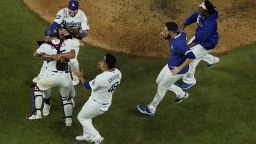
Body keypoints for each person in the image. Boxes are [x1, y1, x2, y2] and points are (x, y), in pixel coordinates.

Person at [137, 22, 195, 116]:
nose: (163, 30)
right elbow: (180, 39)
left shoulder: (179, 44)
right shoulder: (180, 33)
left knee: (162, 87)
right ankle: (181, 94)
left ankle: (151, 109)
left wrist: (179, 68)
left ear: (171, 32)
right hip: (170, 65)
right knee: (158, 81)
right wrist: (166, 37)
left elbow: (191, 56)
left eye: (165, 29)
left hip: (176, 70)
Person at [33, 0, 90, 85]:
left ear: (77, 9)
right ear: (68, 8)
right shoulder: (62, 12)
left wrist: (79, 34)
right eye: (71, 9)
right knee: (50, 54)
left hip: (74, 38)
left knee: (73, 59)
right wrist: (50, 34)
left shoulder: (82, 15)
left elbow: (85, 32)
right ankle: (41, 75)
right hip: (61, 36)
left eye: (74, 10)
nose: (72, 11)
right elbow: (55, 24)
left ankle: (76, 78)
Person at [28, 28, 75, 127]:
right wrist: (58, 55)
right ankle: (69, 121)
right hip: (65, 77)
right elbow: (72, 54)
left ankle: (37, 113)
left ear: (49, 36)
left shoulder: (45, 45)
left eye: (46, 36)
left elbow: (35, 54)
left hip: (52, 76)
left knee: (37, 88)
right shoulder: (67, 41)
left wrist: (49, 55)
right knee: (66, 99)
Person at [74, 53, 122, 143]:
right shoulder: (118, 72)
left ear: (107, 64)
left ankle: (97, 137)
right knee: (88, 117)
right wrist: (103, 69)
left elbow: (87, 86)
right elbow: (108, 78)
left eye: (103, 61)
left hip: (96, 104)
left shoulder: (101, 78)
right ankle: (87, 136)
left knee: (82, 118)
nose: (101, 61)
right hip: (106, 102)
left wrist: (80, 76)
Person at [179, 0, 220, 89]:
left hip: (207, 43)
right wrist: (183, 26)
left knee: (190, 58)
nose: (198, 11)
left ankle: (190, 81)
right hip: (200, 38)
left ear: (206, 12)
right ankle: (213, 60)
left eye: (200, 10)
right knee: (196, 54)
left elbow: (200, 39)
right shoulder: (202, 14)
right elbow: (194, 16)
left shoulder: (210, 23)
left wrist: (187, 47)